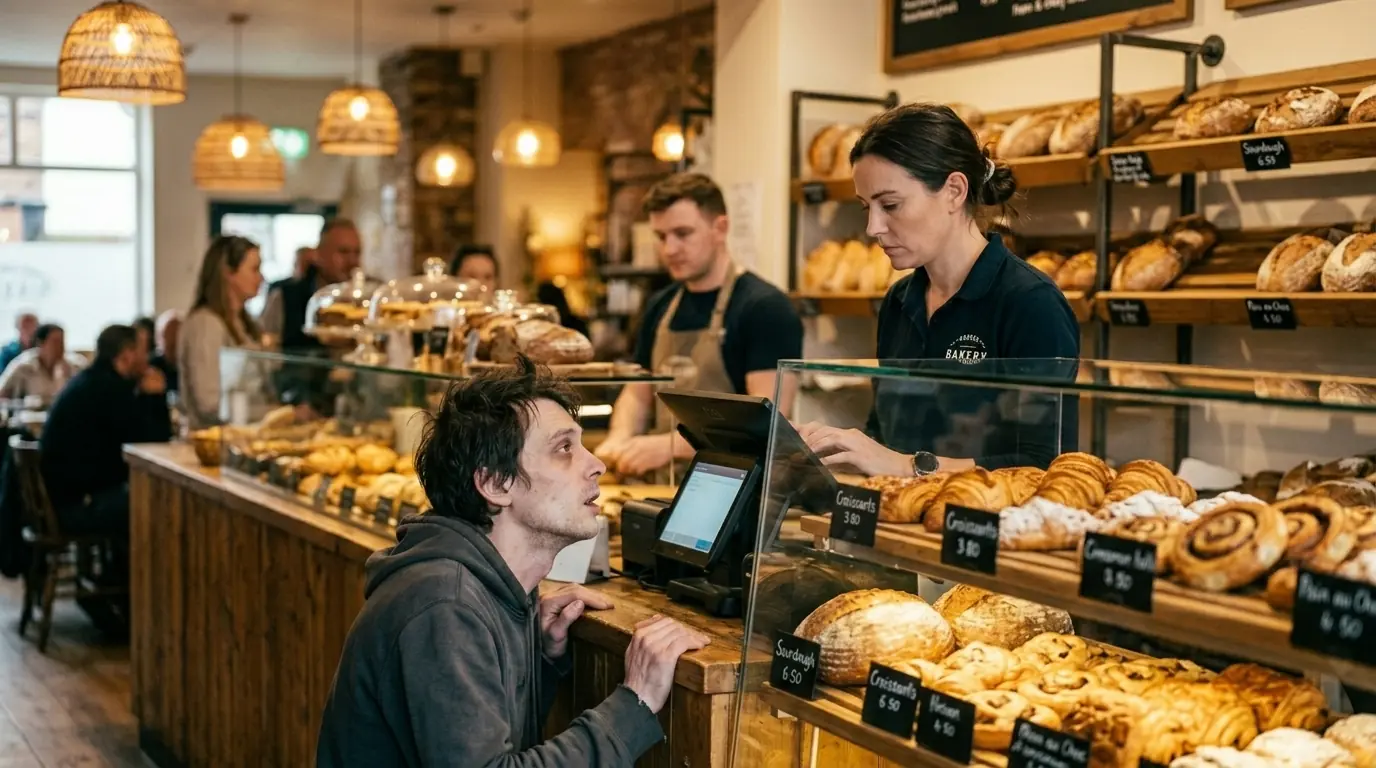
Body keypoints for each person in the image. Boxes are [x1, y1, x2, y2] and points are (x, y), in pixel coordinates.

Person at [317, 358, 707, 766]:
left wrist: (536, 659)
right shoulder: (445, 606)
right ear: (495, 484)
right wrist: (636, 702)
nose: (597, 465)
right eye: (564, 449)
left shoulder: (485, 588)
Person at [798, 103, 1080, 476]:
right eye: (867, 207)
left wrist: (906, 466)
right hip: (905, 526)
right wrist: (836, 451)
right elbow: (886, 435)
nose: (873, 227)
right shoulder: (899, 302)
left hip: (982, 528)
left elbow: (1043, 465)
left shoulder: (1030, 303)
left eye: (891, 205)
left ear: (954, 191)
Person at [595, 173, 804, 479]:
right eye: (661, 236)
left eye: (682, 233)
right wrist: (620, 439)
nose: (669, 249)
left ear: (720, 228)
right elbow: (638, 393)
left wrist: (667, 447)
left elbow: (766, 428)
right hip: (661, 485)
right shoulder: (660, 306)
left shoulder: (765, 308)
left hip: (734, 490)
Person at [179, 235, 264, 429]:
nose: (261, 278)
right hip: (213, 441)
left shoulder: (243, 322)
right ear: (228, 273)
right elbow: (209, 401)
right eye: (254, 269)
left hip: (241, 436)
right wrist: (269, 410)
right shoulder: (206, 323)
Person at [261, 219, 362, 352]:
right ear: (320, 254)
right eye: (343, 252)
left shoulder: (366, 298)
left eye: (357, 252)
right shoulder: (286, 296)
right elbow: (266, 348)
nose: (352, 261)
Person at [0, 323, 85, 404]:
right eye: (55, 342)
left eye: (62, 342)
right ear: (40, 344)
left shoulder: (75, 365)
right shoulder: (24, 366)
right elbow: (2, 394)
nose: (60, 347)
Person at [151, 309, 182, 394]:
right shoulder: (152, 367)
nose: (173, 341)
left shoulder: (190, 363)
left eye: (177, 335)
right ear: (158, 339)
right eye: (168, 336)